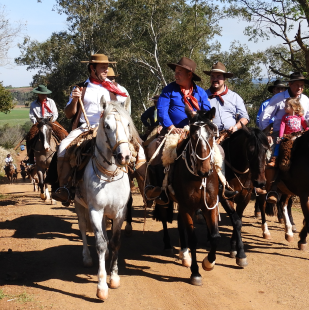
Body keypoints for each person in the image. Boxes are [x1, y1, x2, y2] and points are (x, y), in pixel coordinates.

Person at [146, 57, 236, 201]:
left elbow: (207, 111)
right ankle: (159, 188)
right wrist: (171, 127)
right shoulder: (168, 90)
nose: (176, 75)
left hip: (197, 130)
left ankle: (221, 185)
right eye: (176, 72)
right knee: (155, 148)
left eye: (179, 72)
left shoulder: (200, 92)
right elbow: (162, 110)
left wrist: (198, 117)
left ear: (189, 75)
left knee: (219, 151)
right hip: (173, 130)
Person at [51, 53, 130, 205]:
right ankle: (64, 188)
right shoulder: (80, 88)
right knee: (62, 147)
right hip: (86, 127)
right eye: (102, 68)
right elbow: (69, 114)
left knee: (137, 148)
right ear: (92, 69)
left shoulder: (116, 89)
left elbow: (125, 110)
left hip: (111, 128)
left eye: (107, 67)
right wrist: (74, 100)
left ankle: (145, 185)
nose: (106, 70)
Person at [259, 72, 309, 137]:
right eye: (297, 85)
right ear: (290, 84)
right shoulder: (278, 98)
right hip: (279, 135)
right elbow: (265, 116)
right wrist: (267, 133)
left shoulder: (305, 99)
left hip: (301, 135)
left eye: (302, 85)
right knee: (273, 147)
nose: (299, 88)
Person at [204, 61, 248, 133]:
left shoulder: (235, 97)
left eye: (218, 76)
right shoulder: (203, 96)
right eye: (212, 76)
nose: (215, 79)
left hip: (231, 137)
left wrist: (235, 127)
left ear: (224, 78)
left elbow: (245, 118)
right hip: (210, 137)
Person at [275, 97, 309, 171]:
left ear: (293, 107)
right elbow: (282, 127)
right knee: (280, 145)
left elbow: (305, 125)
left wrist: (308, 131)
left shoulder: (300, 116)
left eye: (287, 106)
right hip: (288, 136)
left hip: (298, 135)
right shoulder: (285, 117)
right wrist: (280, 137)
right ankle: (275, 158)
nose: (284, 107)